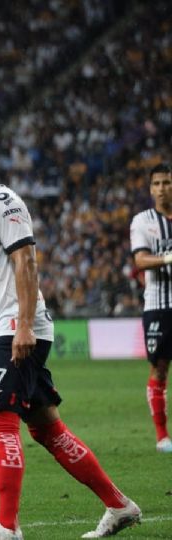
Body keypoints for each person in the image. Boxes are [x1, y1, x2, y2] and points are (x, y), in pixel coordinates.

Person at [0, 135, 140, 540]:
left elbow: (26, 260)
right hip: (12, 324)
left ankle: (7, 528)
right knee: (46, 428)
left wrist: (24, 324)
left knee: (0, 421)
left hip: (17, 327)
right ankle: (120, 506)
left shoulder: (4, 203)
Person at [129, 163, 172, 453]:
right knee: (159, 369)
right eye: (156, 183)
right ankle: (162, 437)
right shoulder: (142, 221)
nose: (161, 189)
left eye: (166, 183)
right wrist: (169, 258)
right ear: (150, 188)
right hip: (158, 306)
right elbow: (140, 261)